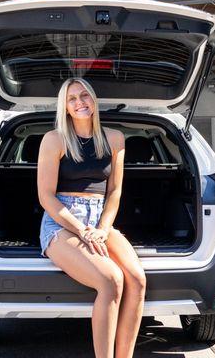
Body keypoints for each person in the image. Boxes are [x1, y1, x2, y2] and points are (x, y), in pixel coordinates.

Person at [37, 78, 146, 358]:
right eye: (72, 99)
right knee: (111, 279)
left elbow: (115, 192)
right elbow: (46, 197)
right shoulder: (54, 139)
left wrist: (102, 227)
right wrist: (82, 230)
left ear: (93, 100)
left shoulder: (114, 138)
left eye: (84, 95)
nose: (79, 102)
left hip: (99, 220)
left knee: (136, 278)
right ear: (65, 107)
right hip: (61, 222)